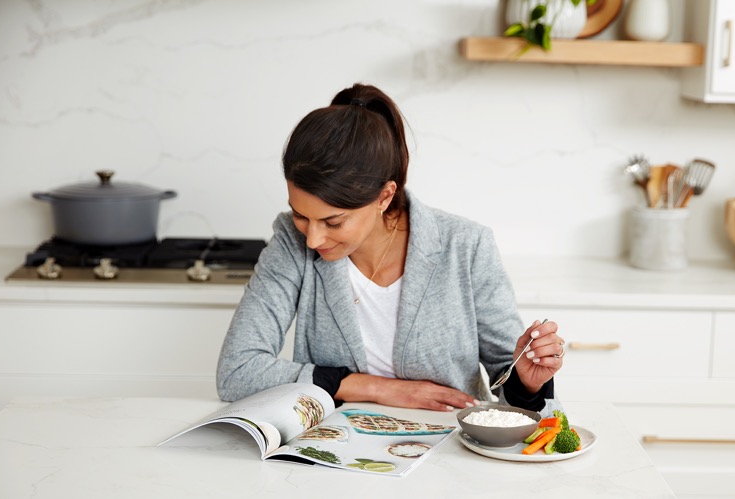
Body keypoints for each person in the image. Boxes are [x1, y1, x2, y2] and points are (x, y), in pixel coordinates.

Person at [217, 83, 565, 414]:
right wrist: (375, 388)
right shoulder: (290, 242)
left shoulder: (465, 246)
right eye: (301, 215)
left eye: (333, 222)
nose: (312, 239)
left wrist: (527, 384)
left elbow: (511, 385)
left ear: (384, 196)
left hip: (449, 454)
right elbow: (237, 372)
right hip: (333, 453)